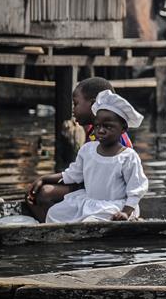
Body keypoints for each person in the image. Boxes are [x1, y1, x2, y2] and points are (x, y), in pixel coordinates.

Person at [24, 77, 132, 221]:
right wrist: (44, 178)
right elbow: (77, 172)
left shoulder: (112, 139)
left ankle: (55, 230)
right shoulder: (93, 137)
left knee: (44, 193)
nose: (73, 110)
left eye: (76, 104)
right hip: (90, 188)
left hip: (108, 196)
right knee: (41, 191)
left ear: (93, 104)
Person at [44, 91, 148, 223]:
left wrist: (126, 213)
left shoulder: (128, 156)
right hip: (89, 202)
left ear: (123, 129)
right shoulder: (87, 150)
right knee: (54, 213)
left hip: (115, 206)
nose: (101, 130)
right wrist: (44, 178)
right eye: (97, 126)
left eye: (108, 126)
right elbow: (73, 175)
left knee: (90, 222)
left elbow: (136, 189)